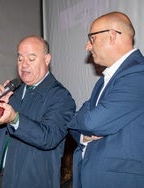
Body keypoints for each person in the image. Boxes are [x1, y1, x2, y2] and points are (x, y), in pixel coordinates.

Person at [0, 35, 76, 188]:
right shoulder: (13, 91)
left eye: (31, 59)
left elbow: (48, 138)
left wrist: (14, 119)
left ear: (47, 59)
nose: (24, 65)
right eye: (20, 59)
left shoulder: (60, 97)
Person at [68, 12, 144, 188]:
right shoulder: (104, 80)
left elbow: (91, 121)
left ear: (112, 36)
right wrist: (84, 135)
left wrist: (84, 118)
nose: (87, 46)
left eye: (92, 39)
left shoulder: (138, 73)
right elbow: (75, 124)